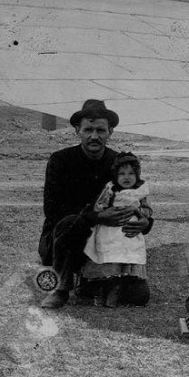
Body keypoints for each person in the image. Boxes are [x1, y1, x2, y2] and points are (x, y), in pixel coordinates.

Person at [38, 99, 153, 309]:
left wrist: (146, 223)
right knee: (71, 223)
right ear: (77, 131)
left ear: (110, 132)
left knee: (138, 296)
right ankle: (61, 289)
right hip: (67, 238)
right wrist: (97, 216)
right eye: (88, 130)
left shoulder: (119, 163)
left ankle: (92, 281)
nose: (94, 136)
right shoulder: (60, 160)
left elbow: (134, 197)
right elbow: (52, 210)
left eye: (100, 130)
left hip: (107, 239)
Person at [82, 153, 152, 308]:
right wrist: (104, 210)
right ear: (115, 175)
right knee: (109, 257)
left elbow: (147, 210)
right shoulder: (111, 189)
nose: (126, 177)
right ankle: (102, 289)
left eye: (131, 173)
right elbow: (99, 206)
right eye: (122, 174)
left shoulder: (140, 191)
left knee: (127, 257)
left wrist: (139, 212)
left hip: (129, 231)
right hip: (110, 230)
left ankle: (118, 288)